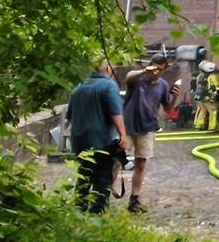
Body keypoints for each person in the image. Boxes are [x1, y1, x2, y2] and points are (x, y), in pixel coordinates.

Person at [67, 62, 127, 214]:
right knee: (102, 176)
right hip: (102, 140)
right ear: (108, 70)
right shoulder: (109, 86)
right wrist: (122, 134)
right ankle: (97, 212)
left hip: (80, 141)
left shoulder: (78, 88)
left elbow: (70, 116)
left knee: (84, 175)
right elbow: (115, 112)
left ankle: (78, 209)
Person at [120, 53, 172, 214]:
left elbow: (168, 108)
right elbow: (128, 77)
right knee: (116, 160)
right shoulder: (138, 79)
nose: (155, 72)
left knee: (141, 163)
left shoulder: (163, 85)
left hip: (148, 127)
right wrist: (144, 71)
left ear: (164, 70)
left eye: (159, 69)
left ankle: (134, 198)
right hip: (127, 125)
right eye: (154, 67)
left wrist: (174, 97)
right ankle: (106, 194)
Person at [193, 59, 219, 133]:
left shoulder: (200, 76)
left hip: (200, 97)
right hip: (209, 96)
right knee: (213, 111)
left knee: (203, 110)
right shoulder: (213, 76)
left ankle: (199, 125)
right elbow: (217, 85)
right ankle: (213, 127)